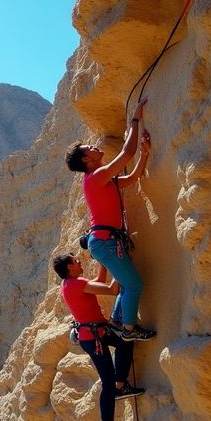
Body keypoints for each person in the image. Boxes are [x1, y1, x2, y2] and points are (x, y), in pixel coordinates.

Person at [64, 98, 157, 341]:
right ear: (86, 160)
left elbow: (133, 176)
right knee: (134, 284)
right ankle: (128, 330)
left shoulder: (102, 179)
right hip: (105, 242)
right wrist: (135, 119)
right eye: (89, 149)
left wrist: (144, 154)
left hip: (105, 241)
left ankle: (118, 320)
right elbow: (126, 154)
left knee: (128, 283)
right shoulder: (96, 176)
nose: (95, 147)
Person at [53, 253, 144, 421]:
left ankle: (121, 385)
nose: (79, 261)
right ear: (69, 268)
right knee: (107, 382)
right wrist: (119, 265)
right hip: (93, 338)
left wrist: (104, 262)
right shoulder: (75, 284)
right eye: (75, 261)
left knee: (125, 341)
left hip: (96, 333)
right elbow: (112, 290)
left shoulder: (71, 284)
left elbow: (98, 283)